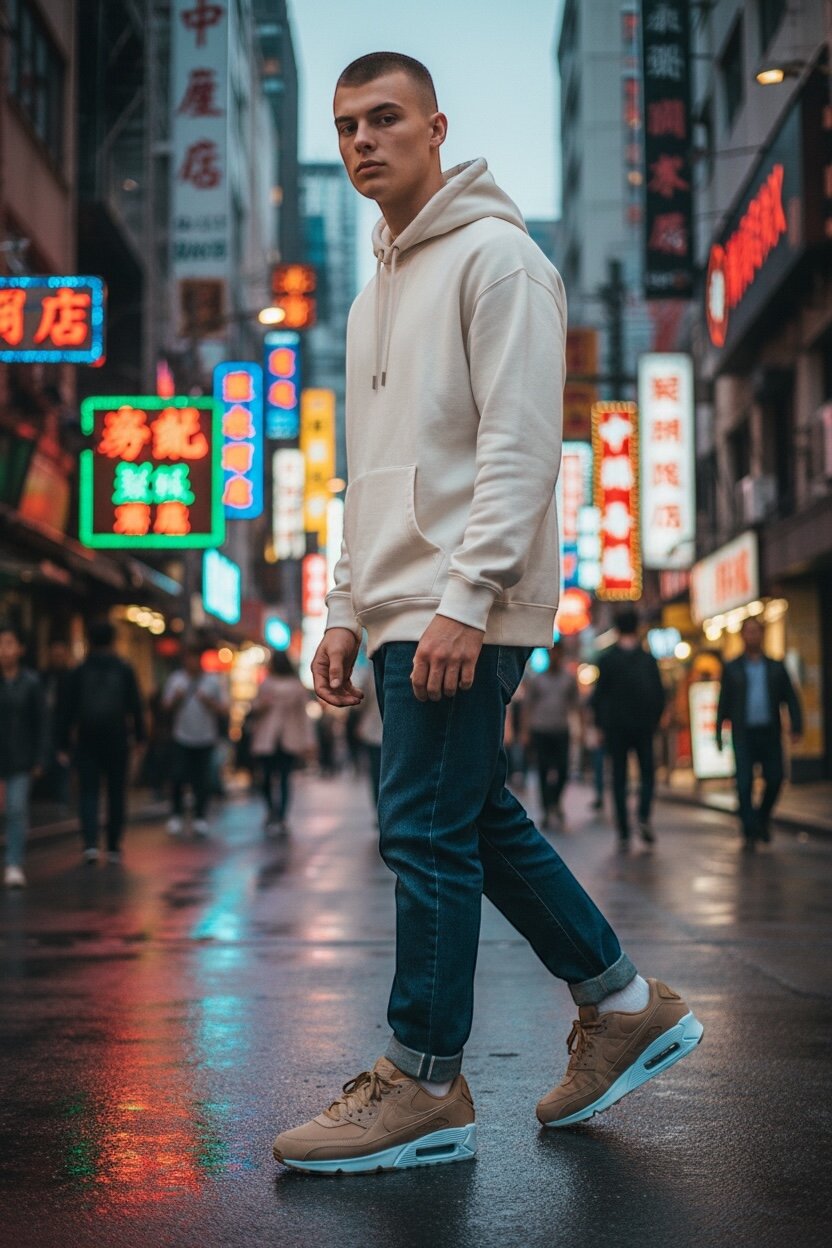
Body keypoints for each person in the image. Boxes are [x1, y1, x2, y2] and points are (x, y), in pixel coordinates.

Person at [271, 53, 703, 1176]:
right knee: (466, 818)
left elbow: (519, 448)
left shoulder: (500, 260)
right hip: (404, 601)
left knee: (421, 827)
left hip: (462, 604)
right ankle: (620, 1002)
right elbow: (364, 477)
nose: (364, 141)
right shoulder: (372, 295)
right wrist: (342, 609)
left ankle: (422, 1078)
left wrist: (464, 603)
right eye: (346, 124)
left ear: (435, 127)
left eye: (385, 119)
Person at [60, 620, 144, 865]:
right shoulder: (124, 669)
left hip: (86, 738)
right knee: (116, 792)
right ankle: (114, 845)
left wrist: (63, 743)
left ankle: (90, 844)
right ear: (113, 641)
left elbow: (66, 710)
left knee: (88, 791)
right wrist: (139, 737)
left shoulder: (79, 670)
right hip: (117, 738)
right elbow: (135, 705)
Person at [716, 616, 802, 849]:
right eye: (748, 631)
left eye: (756, 631)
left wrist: (797, 725)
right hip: (743, 734)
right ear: (742, 636)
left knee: (775, 778)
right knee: (743, 784)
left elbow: (790, 698)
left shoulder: (775, 667)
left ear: (762, 634)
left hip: (769, 732)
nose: (752, 636)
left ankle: (761, 818)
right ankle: (749, 829)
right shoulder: (732, 668)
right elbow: (724, 702)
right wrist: (718, 732)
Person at [593, 609, 666, 850]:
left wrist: (601, 726)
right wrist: (655, 720)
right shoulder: (647, 659)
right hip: (644, 727)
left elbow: (599, 697)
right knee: (647, 774)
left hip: (616, 729)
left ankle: (624, 831)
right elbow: (659, 694)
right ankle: (643, 816)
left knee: (619, 779)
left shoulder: (607, 659)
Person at [162, 645, 227, 838]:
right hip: (181, 736)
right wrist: (176, 699)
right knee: (178, 776)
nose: (192, 662)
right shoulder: (176, 680)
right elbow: (165, 706)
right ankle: (176, 815)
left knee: (202, 780)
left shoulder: (212, 681)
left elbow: (224, 708)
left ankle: (200, 817)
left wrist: (209, 702)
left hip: (206, 737)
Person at [0, 624, 46, 887]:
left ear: (20, 649)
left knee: (16, 809)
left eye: (8, 643)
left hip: (21, 757)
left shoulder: (31, 683)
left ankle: (14, 862)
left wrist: (40, 757)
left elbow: (41, 722)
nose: (3, 650)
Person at [248, 651, 312, 831]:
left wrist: (308, 740)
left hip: (286, 738)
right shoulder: (267, 684)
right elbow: (254, 707)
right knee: (269, 778)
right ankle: (274, 812)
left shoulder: (294, 686)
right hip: (268, 737)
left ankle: (280, 815)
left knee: (282, 778)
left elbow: (303, 716)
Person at [523, 643, 578, 829]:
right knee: (543, 770)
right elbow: (527, 706)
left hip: (561, 730)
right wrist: (525, 731)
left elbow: (577, 706)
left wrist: (583, 730)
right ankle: (547, 808)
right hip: (541, 730)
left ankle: (555, 800)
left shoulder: (569, 679)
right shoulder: (538, 679)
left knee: (563, 770)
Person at [41, 640, 72, 807]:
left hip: (63, 728)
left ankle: (62, 800)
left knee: (63, 765)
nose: (57, 659)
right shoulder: (44, 676)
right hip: (46, 727)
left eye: (60, 655)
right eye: (54, 655)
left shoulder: (70, 677)